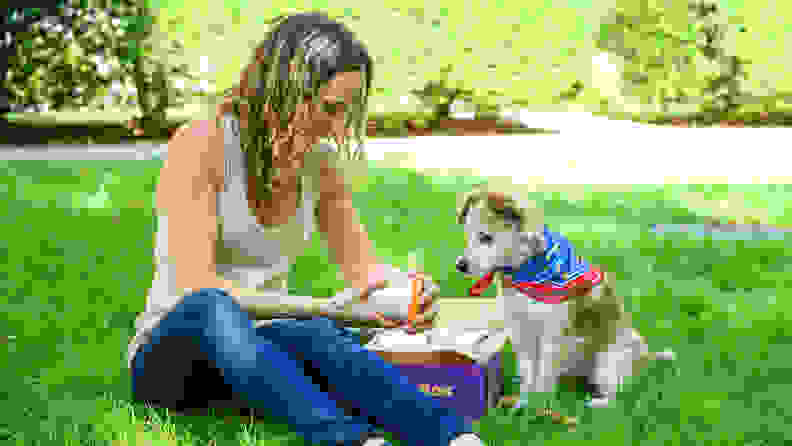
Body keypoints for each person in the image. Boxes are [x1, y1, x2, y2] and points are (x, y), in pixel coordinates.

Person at [127, 11, 486, 446]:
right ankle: (352, 441)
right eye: (330, 109)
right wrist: (326, 308)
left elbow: (364, 271)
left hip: (257, 363)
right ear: (285, 90)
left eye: (346, 113)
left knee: (314, 334)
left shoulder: (320, 163)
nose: (337, 129)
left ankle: (453, 437)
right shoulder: (202, 145)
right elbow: (193, 287)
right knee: (215, 307)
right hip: (174, 362)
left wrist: (405, 291)